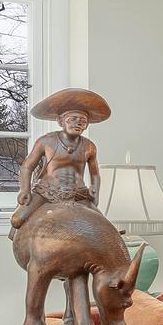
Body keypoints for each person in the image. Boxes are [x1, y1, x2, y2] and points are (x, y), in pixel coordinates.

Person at [10, 88, 110, 231]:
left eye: (83, 120)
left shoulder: (89, 146)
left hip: (78, 194)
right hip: (47, 191)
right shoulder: (46, 141)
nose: (78, 123)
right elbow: (27, 167)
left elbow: (95, 173)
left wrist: (95, 192)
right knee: (17, 220)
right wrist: (24, 189)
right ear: (61, 121)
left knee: (104, 227)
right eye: (73, 119)